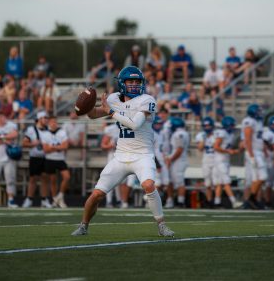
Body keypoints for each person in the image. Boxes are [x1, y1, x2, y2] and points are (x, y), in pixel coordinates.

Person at [71, 66, 174, 237]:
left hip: (142, 155)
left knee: (148, 185)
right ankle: (83, 226)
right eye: (130, 81)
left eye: (137, 81)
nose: (134, 85)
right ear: (122, 83)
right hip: (120, 156)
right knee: (96, 194)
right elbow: (94, 115)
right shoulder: (113, 99)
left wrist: (110, 111)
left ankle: (162, 225)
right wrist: (87, 105)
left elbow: (135, 124)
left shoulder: (147, 99)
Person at [22, 111, 52, 208]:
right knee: (33, 179)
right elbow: (24, 143)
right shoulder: (31, 129)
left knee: (45, 178)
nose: (46, 120)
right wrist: (33, 144)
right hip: (35, 157)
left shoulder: (49, 130)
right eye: (44, 118)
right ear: (39, 119)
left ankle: (44, 199)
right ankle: (29, 199)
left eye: (47, 118)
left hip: (46, 157)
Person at [41, 116, 70, 208]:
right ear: (49, 123)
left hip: (60, 159)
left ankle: (60, 196)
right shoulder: (45, 134)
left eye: (55, 122)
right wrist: (58, 147)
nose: (53, 123)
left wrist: (52, 147)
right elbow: (45, 149)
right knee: (52, 180)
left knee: (67, 177)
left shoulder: (62, 132)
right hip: (50, 159)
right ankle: (54, 200)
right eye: (51, 122)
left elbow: (65, 146)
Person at [243, 104, 267, 209]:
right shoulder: (249, 121)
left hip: (258, 152)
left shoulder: (258, 122)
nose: (260, 113)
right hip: (253, 152)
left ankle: (252, 200)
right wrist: (251, 154)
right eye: (258, 111)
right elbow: (247, 139)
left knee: (256, 178)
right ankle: (251, 199)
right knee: (262, 176)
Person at [213, 116, 240, 208]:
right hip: (220, 161)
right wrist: (228, 151)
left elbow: (228, 148)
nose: (233, 127)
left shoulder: (230, 135)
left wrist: (237, 150)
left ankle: (217, 202)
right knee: (226, 182)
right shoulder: (222, 133)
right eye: (232, 125)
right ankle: (234, 201)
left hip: (225, 160)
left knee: (220, 182)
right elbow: (216, 147)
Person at [165, 117, 190, 208]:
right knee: (170, 180)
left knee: (179, 182)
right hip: (176, 159)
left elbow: (179, 150)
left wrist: (170, 159)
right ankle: (171, 200)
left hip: (179, 160)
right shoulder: (180, 133)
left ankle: (180, 201)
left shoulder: (180, 134)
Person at [100, 120, 124, 208]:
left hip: (124, 156)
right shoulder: (111, 129)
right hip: (113, 156)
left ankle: (120, 200)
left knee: (120, 179)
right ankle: (109, 201)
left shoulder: (129, 126)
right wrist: (111, 146)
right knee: (110, 178)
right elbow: (103, 145)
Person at [0, 111, 19, 208]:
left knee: (10, 179)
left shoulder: (10, 125)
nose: (2, 118)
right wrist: (6, 139)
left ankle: (10, 200)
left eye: (3, 116)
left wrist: (1, 138)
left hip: (8, 158)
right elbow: (8, 139)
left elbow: (14, 134)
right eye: (0, 117)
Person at [195, 117, 216, 206]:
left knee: (216, 182)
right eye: (205, 126)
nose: (207, 127)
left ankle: (217, 200)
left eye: (208, 125)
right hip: (206, 160)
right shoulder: (201, 135)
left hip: (216, 160)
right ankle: (209, 200)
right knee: (208, 183)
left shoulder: (216, 134)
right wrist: (204, 139)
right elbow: (200, 148)